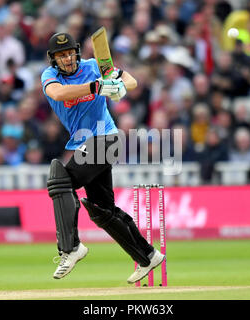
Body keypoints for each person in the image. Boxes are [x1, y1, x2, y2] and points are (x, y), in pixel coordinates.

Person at [41, 32, 165, 282]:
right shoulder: (50, 76)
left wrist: (118, 85)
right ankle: (148, 255)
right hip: (84, 143)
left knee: (60, 178)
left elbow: (131, 81)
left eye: (69, 53)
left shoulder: (94, 65)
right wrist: (95, 86)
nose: (66, 59)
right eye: (60, 56)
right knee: (101, 209)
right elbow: (58, 94)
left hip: (106, 138)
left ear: (76, 52)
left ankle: (71, 247)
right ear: (53, 60)